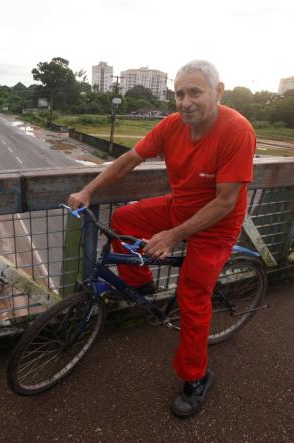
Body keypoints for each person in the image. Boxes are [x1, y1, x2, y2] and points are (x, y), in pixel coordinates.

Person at [67, 60, 255, 418]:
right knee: (123, 218)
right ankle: (144, 284)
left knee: (192, 296)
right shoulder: (171, 126)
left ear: (218, 92)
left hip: (216, 225)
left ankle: (196, 378)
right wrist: (89, 190)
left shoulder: (237, 130)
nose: (185, 102)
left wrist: (172, 235)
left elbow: (226, 201)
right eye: (179, 94)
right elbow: (128, 161)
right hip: (179, 207)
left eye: (194, 92)